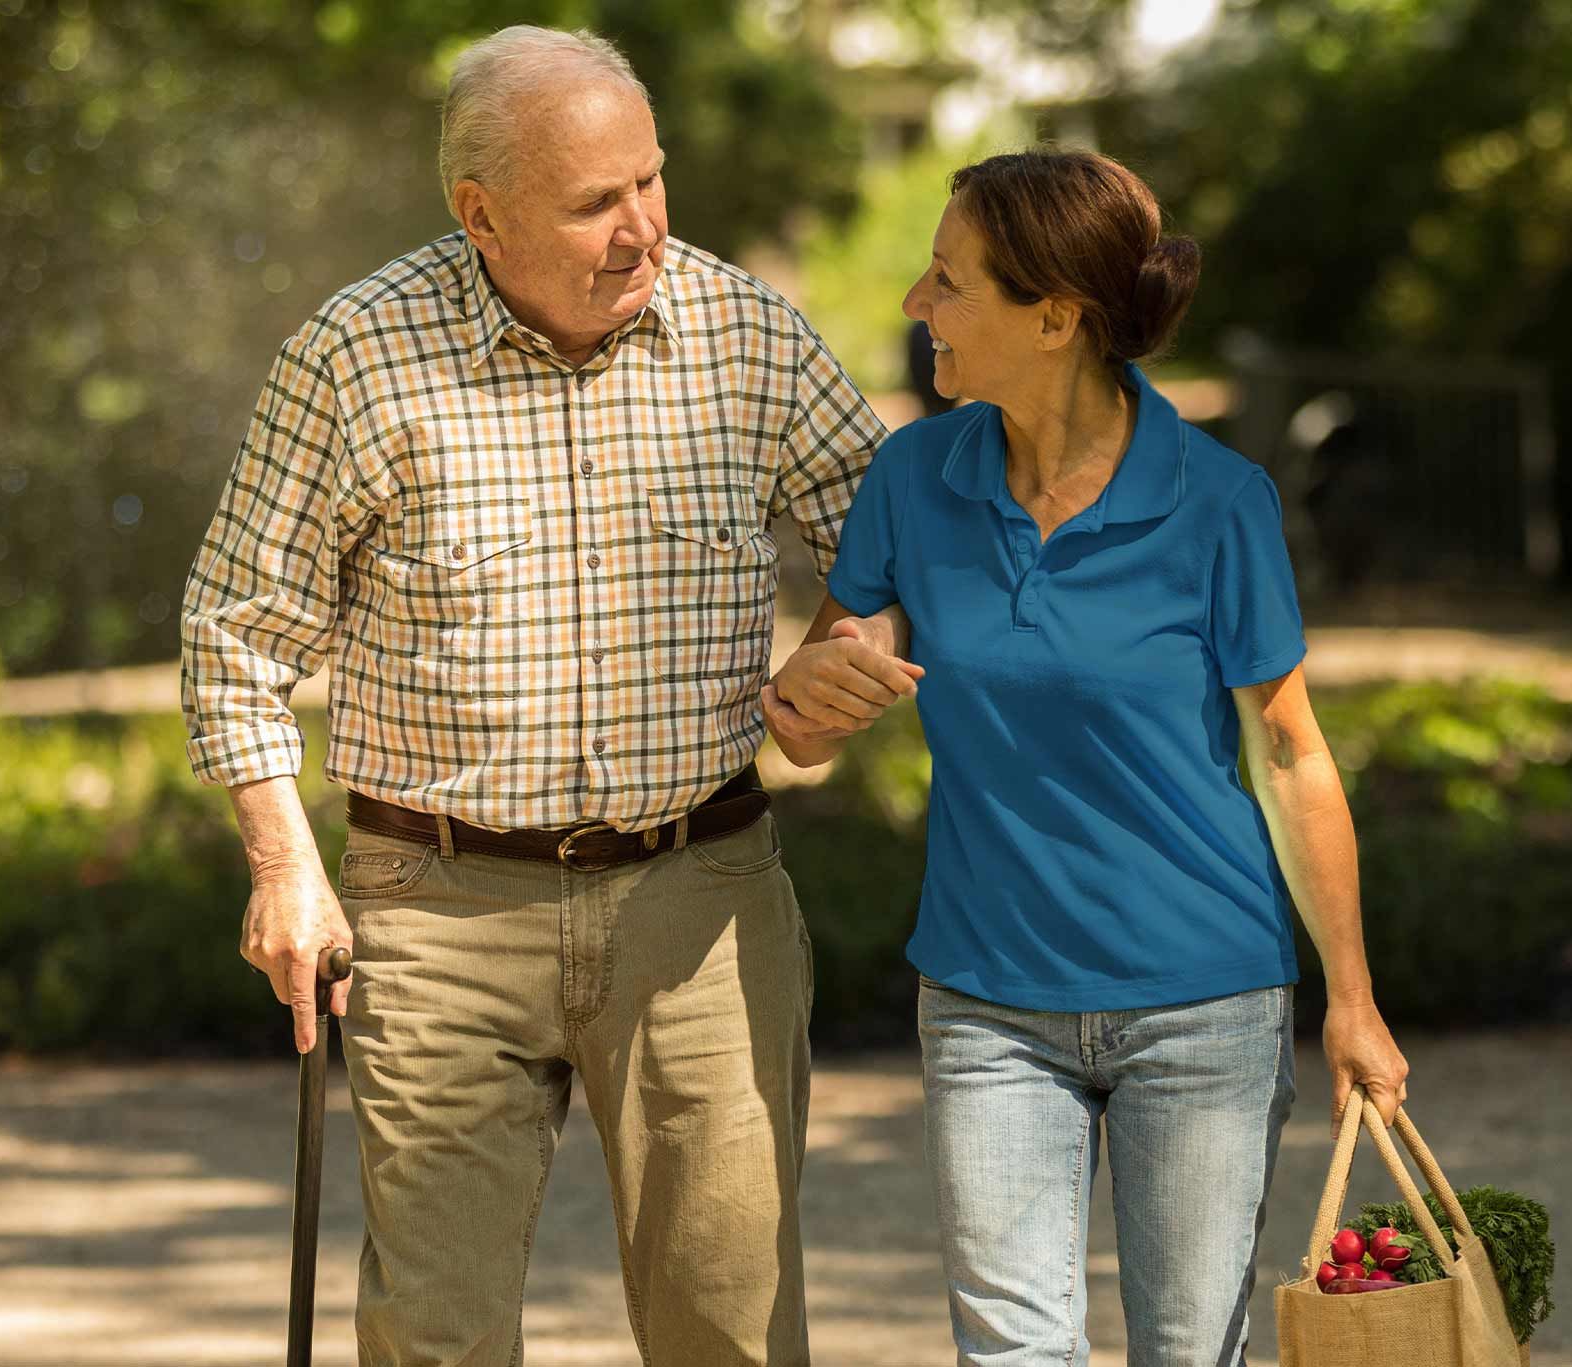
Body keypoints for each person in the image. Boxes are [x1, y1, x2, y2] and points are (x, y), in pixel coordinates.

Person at [180, 26, 890, 1367]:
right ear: (481, 217)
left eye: (650, 181)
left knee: (731, 1332)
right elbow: (234, 634)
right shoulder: (354, 358)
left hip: (702, 896)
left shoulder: (746, 333)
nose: (641, 230)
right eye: (593, 203)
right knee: (433, 1339)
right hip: (433, 909)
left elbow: (898, 539)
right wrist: (282, 864)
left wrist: (845, 648)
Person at [763, 149, 1410, 1367]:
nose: (914, 305)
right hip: (986, 1004)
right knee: (1010, 1354)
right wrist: (801, 697)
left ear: (1054, 316)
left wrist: (1353, 1000)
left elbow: (1290, 751)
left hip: (1202, 1003)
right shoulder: (913, 475)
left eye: (947, 282)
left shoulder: (1217, 501)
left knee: (1186, 1349)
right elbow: (809, 718)